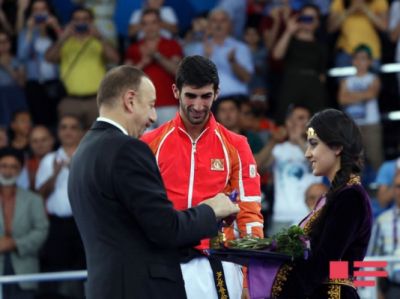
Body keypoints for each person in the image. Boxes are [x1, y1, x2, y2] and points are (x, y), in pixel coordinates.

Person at [67, 65, 239, 299]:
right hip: (139, 290)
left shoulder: (83, 151)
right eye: (150, 105)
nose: (153, 117)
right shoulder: (128, 149)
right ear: (130, 100)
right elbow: (166, 228)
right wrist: (211, 210)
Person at [141, 55, 263, 299]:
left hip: (220, 265)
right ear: (176, 91)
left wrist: (252, 277)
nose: (198, 105)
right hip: (164, 262)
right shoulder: (149, 144)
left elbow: (249, 214)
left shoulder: (237, 145)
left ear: (216, 93)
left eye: (205, 96)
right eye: (191, 96)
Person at [264, 109, 373, 298]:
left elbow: (326, 262)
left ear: (337, 147)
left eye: (313, 144)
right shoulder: (338, 194)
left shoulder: (350, 197)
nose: (307, 154)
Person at [0, 146, 49, 299]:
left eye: (14, 166)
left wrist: (15, 243)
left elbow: (42, 230)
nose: (8, 171)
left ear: (21, 170)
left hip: (25, 269)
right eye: (4, 166)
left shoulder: (33, 200)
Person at [338, 44, 383, 171]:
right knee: (354, 162)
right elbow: (342, 99)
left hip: (371, 125)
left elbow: (372, 94)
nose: (359, 61)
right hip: (353, 126)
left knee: (376, 159)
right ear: (352, 61)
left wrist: (350, 95)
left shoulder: (374, 78)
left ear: (370, 61)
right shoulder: (346, 80)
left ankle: (382, 189)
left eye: (363, 58)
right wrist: (364, 94)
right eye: (357, 58)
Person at [368, 170, 400, 299]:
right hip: (394, 288)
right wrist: (378, 294)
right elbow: (372, 261)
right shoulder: (382, 221)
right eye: (398, 186)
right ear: (392, 190)